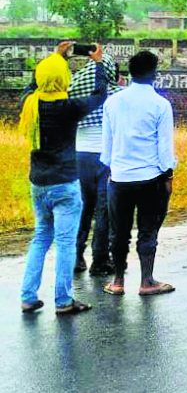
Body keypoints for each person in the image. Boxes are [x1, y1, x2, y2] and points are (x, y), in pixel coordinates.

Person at [18, 41, 107, 315]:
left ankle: (28, 296)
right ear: (63, 78)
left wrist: (55, 57)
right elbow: (100, 95)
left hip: (38, 182)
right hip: (65, 184)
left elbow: (32, 86)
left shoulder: (30, 103)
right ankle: (63, 300)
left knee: (41, 237)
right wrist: (98, 64)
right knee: (66, 243)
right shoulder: (69, 107)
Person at [101, 50, 176, 297]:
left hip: (119, 179)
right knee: (148, 231)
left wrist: (113, 169)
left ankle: (117, 281)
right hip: (150, 180)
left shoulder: (112, 102)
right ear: (154, 74)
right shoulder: (161, 104)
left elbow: (106, 147)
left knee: (118, 233)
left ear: (130, 73)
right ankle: (146, 281)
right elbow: (164, 149)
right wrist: (168, 175)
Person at [68, 52, 119, 276]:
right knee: (103, 210)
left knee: (83, 208)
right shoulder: (117, 95)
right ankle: (100, 260)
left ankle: (76, 256)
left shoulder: (75, 92)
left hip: (80, 157)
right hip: (106, 158)